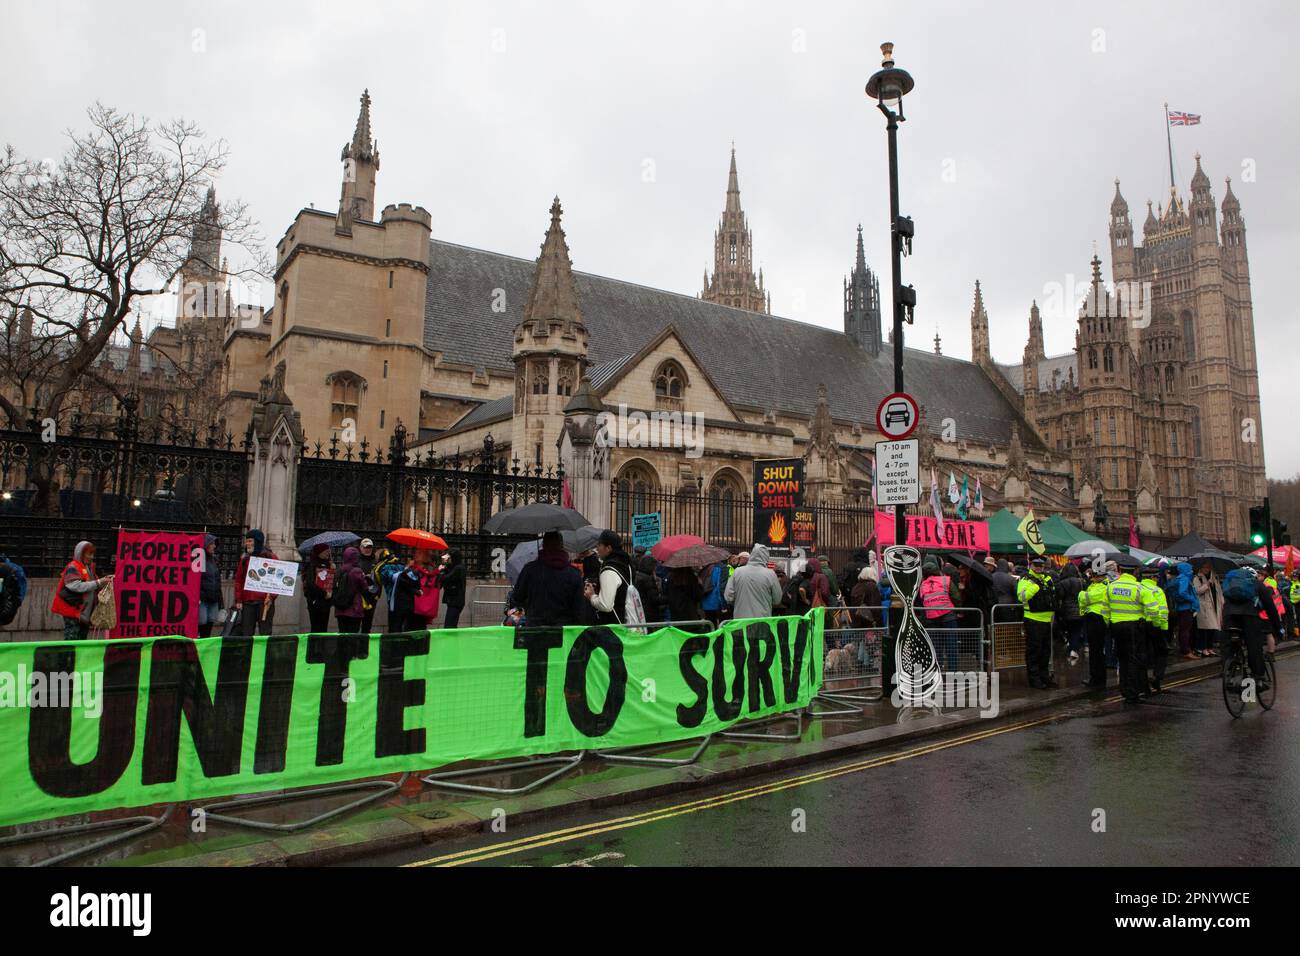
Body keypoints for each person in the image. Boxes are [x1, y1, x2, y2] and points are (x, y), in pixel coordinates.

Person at [1220, 564, 1282, 693]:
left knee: (1229, 645)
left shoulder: (1230, 584)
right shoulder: (1257, 585)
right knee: (1254, 645)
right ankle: (1258, 678)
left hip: (1229, 616)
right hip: (1249, 617)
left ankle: (1228, 673)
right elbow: (1270, 608)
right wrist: (1278, 628)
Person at [513, 530, 585, 626]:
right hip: (563, 629)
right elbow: (578, 608)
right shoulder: (574, 573)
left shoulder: (530, 569)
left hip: (535, 627)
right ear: (562, 546)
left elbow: (517, 597)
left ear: (543, 545)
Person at [50, 540, 112, 641]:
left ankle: (74, 657)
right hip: (73, 611)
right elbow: (74, 585)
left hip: (83, 613)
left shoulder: (88, 567)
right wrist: (99, 582)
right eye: (89, 554)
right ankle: (68, 657)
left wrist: (104, 581)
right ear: (81, 554)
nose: (91, 557)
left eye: (92, 554)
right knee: (72, 641)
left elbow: (93, 583)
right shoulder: (73, 566)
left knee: (81, 640)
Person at [1105, 560, 1145, 703]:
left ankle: (1124, 689)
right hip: (1134, 627)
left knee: (1121, 659)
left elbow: (1105, 608)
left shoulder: (1111, 586)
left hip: (1116, 626)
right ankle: (1132, 693)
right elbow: (1151, 607)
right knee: (1132, 659)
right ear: (1135, 572)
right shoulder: (1139, 587)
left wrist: (1108, 622)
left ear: (1119, 570)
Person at [1016, 555, 1058, 689]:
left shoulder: (1047, 578)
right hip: (1033, 620)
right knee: (1034, 652)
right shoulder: (1025, 579)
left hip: (1047, 620)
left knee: (1046, 652)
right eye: (1036, 565)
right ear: (1031, 565)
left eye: (1041, 565)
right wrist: (1034, 588)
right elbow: (1021, 597)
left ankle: (1044, 677)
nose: (1039, 568)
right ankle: (1034, 679)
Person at [587, 530, 637, 625]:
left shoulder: (609, 569)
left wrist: (591, 596)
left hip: (612, 626)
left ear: (608, 548)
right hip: (625, 621)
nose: (597, 549)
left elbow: (605, 605)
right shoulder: (626, 564)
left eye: (599, 545)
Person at [234, 529, 277, 636]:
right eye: (246, 541)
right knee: (247, 634)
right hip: (248, 602)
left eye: (250, 541)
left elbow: (277, 581)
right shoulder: (245, 559)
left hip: (265, 602)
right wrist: (239, 599)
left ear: (257, 541)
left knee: (265, 633)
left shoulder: (271, 558)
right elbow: (239, 580)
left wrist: (272, 597)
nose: (247, 544)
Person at [919, 557, 959, 672]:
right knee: (951, 646)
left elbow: (922, 601)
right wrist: (959, 610)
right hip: (948, 616)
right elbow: (956, 596)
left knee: (936, 647)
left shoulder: (922, 585)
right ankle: (953, 672)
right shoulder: (946, 580)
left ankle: (937, 671)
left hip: (931, 618)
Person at [724, 543, 783, 619]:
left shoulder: (737, 572)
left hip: (741, 621)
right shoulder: (771, 574)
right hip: (762, 620)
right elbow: (777, 600)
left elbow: (728, 597)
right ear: (766, 557)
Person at [1138, 566, 1170, 694]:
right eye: (1156, 577)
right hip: (1155, 625)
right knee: (1162, 652)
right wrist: (1162, 627)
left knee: (1142, 654)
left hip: (1140, 624)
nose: (1157, 579)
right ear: (1152, 577)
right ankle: (1157, 677)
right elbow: (1162, 611)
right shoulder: (1158, 590)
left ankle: (1143, 684)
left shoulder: (1137, 588)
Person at [1078, 565, 1110, 689]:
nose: (1093, 578)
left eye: (1095, 576)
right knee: (1094, 651)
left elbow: (1086, 598)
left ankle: (1098, 680)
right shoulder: (1094, 585)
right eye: (1093, 576)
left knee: (1097, 651)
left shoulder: (1103, 587)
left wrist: (1081, 594)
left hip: (1098, 619)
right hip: (1092, 618)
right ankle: (1095, 678)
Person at [332, 546, 373, 633]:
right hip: (354, 608)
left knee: (342, 635)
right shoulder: (357, 571)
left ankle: (342, 647)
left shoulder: (339, 570)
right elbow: (364, 588)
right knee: (353, 636)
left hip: (340, 609)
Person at [1166, 560, 1200, 660]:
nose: (1192, 571)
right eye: (1190, 569)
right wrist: (1193, 600)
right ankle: (1186, 651)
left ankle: (1184, 649)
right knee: (1186, 630)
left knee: (1182, 630)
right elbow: (1182, 592)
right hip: (1186, 608)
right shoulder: (1184, 578)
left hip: (1180, 608)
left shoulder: (1178, 578)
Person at [302, 542, 335, 633]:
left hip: (326, 601)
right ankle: (314, 647)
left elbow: (332, 581)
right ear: (319, 552)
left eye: (329, 551)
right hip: (315, 601)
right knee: (316, 627)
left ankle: (322, 646)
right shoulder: (311, 565)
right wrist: (324, 593)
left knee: (324, 628)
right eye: (326, 551)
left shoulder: (329, 564)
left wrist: (333, 570)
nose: (328, 553)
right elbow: (310, 584)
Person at [405, 549, 442, 630]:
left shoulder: (414, 569)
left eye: (418, 553)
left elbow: (405, 581)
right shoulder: (433, 569)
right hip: (425, 605)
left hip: (414, 603)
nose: (415, 555)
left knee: (410, 627)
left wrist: (407, 567)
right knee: (421, 627)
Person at [1057, 562, 1085, 665]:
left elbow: (1059, 597)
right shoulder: (1082, 582)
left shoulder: (1062, 583)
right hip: (1080, 610)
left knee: (1069, 631)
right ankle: (1073, 649)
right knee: (1076, 631)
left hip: (1066, 611)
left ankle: (1072, 648)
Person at [197, 533, 224, 638]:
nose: (214, 546)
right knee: (202, 621)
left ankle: (205, 642)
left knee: (210, 621)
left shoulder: (215, 560)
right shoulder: (198, 560)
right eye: (212, 543)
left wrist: (220, 600)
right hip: (202, 599)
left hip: (214, 598)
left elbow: (218, 581)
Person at [1193, 563, 1222, 658]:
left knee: (1212, 629)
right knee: (1205, 629)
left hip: (1215, 606)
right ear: (1201, 568)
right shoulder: (1198, 578)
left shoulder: (1215, 578)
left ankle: (1210, 648)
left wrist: (1222, 602)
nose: (1207, 569)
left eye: (1209, 567)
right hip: (1204, 607)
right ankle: (1203, 648)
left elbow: (1219, 592)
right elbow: (1197, 591)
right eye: (1205, 567)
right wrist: (1207, 584)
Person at [436, 550, 466, 629]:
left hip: (456, 601)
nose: (448, 559)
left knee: (449, 626)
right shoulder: (454, 567)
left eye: (449, 557)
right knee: (451, 625)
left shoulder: (459, 568)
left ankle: (451, 640)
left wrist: (441, 570)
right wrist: (444, 566)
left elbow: (446, 578)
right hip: (453, 601)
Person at [356, 538, 379, 634]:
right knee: (356, 623)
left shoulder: (376, 560)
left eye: (369, 547)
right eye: (365, 547)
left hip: (372, 596)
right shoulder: (356, 560)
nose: (367, 549)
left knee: (367, 624)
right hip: (359, 595)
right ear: (361, 548)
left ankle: (365, 646)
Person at [634, 553, 665, 623]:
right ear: (650, 566)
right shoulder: (647, 579)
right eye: (654, 566)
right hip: (649, 613)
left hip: (641, 611)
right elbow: (654, 599)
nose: (655, 569)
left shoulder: (638, 575)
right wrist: (667, 598)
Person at [849, 564, 883, 628]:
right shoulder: (872, 586)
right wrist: (879, 621)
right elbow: (875, 605)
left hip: (856, 618)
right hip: (868, 620)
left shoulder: (856, 586)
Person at [700, 559, 727, 626]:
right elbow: (720, 588)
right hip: (715, 602)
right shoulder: (721, 568)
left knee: (709, 624)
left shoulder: (705, 569)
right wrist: (723, 605)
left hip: (705, 601)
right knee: (719, 626)